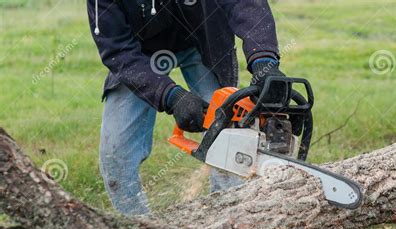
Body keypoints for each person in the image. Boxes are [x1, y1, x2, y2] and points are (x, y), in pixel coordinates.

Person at [87, 0, 285, 216]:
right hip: (138, 54)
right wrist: (170, 96)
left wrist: (264, 60)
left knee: (229, 134)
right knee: (115, 152)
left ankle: (229, 218)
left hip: (202, 39)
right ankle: (136, 227)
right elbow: (116, 49)